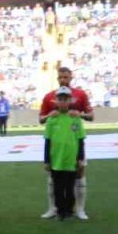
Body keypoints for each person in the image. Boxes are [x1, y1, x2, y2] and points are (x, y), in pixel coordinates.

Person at [39, 67, 93, 220]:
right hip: (56, 150)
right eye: (60, 77)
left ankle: (79, 210)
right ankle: (54, 209)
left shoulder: (80, 94)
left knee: (79, 176)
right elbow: (41, 119)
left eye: (66, 77)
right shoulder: (49, 96)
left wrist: (80, 114)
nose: (63, 79)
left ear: (71, 77)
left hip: (73, 144)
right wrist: (50, 115)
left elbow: (91, 116)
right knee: (54, 181)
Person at [43, 87, 87, 220]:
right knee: (57, 188)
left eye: (65, 99)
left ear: (70, 101)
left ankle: (69, 211)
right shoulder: (52, 119)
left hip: (70, 160)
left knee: (69, 187)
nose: (63, 102)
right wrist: (46, 160)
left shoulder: (75, 119)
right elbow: (47, 141)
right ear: (56, 101)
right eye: (60, 99)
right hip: (56, 160)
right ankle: (60, 211)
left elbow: (80, 140)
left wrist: (80, 158)